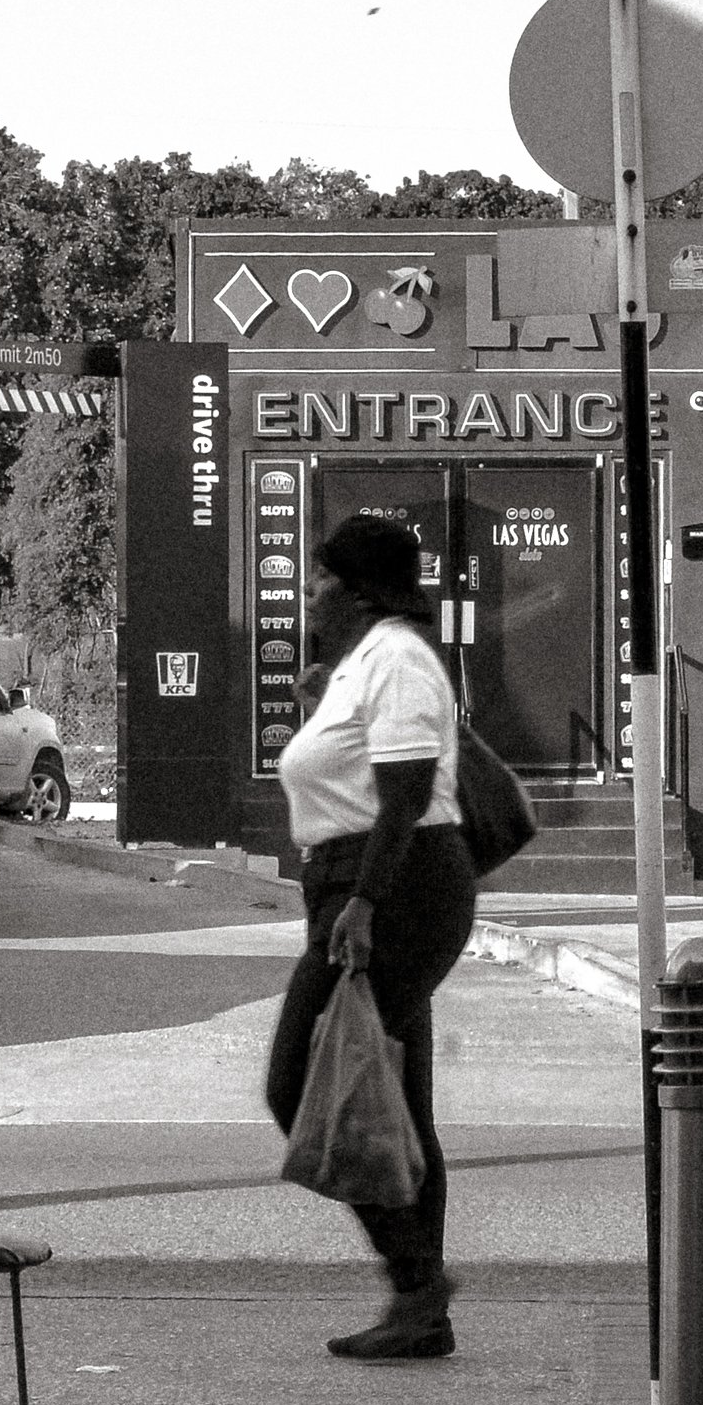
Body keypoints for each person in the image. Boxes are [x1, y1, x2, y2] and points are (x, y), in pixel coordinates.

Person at [266, 513, 477, 1359]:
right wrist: (324, 710)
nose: (308, 593)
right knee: (397, 1105)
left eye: (319, 580)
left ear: (354, 593)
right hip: (378, 884)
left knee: (303, 1082)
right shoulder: (366, 664)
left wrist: (363, 906)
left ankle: (417, 1280)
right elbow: (366, 776)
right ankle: (422, 1307)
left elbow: (404, 793)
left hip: (391, 888)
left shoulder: (395, 657)